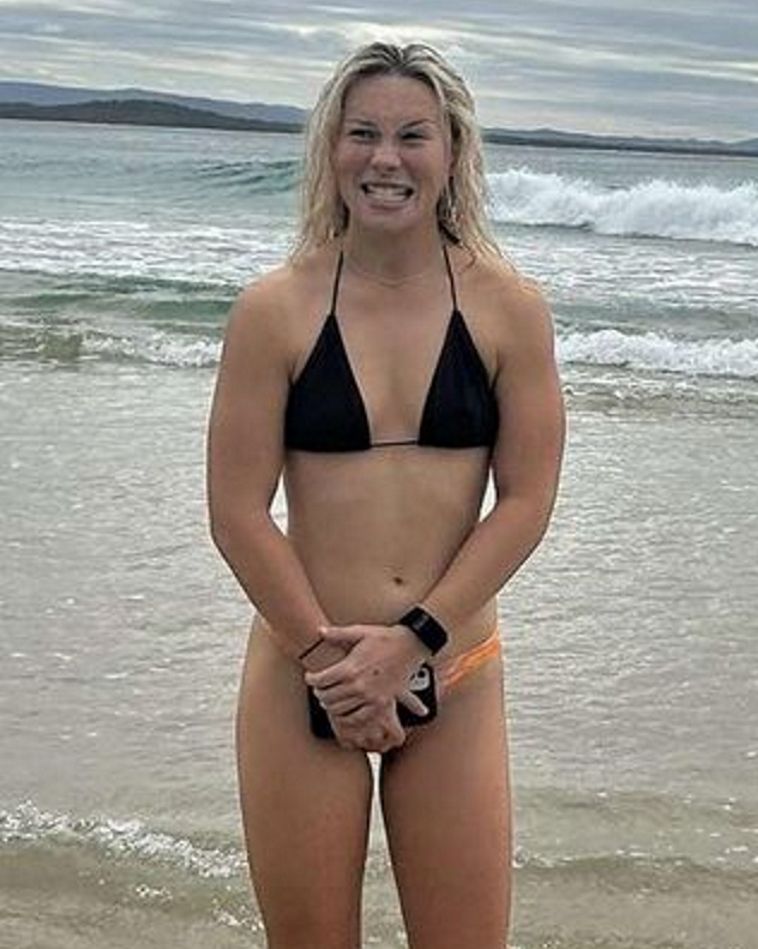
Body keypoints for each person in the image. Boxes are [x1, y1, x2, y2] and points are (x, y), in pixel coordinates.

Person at [206, 40, 564, 949]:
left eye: (412, 136)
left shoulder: (510, 309)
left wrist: (411, 643)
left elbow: (526, 500)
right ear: (332, 149)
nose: (385, 159)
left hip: (454, 669)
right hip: (304, 671)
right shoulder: (274, 310)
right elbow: (237, 510)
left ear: (452, 153)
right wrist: (332, 663)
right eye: (362, 133)